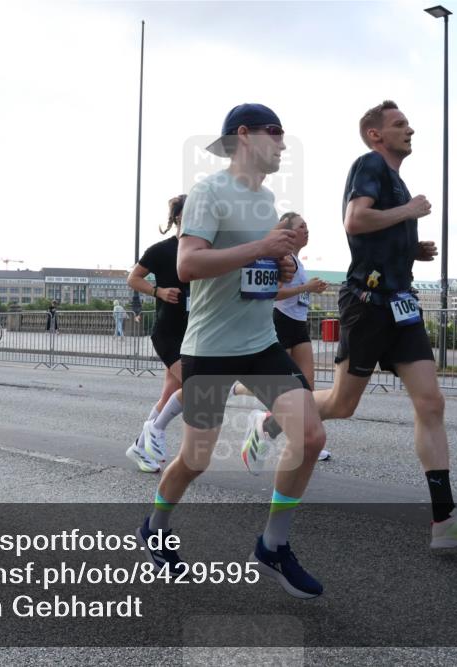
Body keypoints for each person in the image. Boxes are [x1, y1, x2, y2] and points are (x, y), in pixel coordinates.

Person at [244, 101, 457, 549]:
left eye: (408, 123)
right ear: (375, 135)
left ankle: (444, 520)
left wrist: (409, 247)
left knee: (431, 402)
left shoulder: (396, 181)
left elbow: (374, 231)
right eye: (399, 124)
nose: (411, 130)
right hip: (368, 303)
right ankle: (271, 421)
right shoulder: (369, 165)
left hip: (402, 304)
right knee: (344, 404)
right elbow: (355, 219)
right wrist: (408, 214)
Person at [138, 103, 327, 599]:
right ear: (244, 136)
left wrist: (280, 269)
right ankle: (155, 527)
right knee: (195, 459)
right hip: (209, 351)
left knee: (309, 433)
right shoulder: (208, 192)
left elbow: (255, 275)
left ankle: (273, 545)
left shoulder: (265, 200)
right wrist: (262, 250)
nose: (284, 144)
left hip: (260, 344)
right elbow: (189, 263)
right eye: (276, 133)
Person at [235, 211, 331, 466]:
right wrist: (305, 288)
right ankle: (239, 388)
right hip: (281, 323)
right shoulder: (283, 258)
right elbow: (274, 294)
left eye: (308, 226)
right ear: (287, 231)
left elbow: (297, 292)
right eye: (301, 226)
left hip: (299, 325)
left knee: (306, 386)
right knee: (283, 387)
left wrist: (312, 288)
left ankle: (290, 430)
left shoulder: (298, 260)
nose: (306, 230)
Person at [125, 195, 190, 473]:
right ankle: (153, 434)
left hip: (193, 332)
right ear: (178, 217)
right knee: (198, 386)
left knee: (168, 395)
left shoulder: (203, 251)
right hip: (168, 331)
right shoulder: (162, 250)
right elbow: (133, 278)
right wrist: (159, 291)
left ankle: (139, 447)